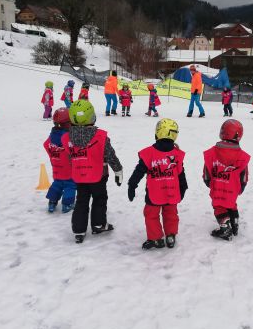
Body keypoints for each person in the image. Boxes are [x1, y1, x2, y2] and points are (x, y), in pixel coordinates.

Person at [63, 100, 123, 243]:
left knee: (81, 201)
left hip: (80, 176)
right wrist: (118, 170)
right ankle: (98, 224)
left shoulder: (66, 138)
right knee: (99, 199)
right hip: (98, 176)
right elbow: (110, 155)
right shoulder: (100, 136)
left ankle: (79, 230)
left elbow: (70, 157)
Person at [128, 118, 188, 249]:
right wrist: (183, 187)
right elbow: (180, 173)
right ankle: (171, 235)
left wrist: (132, 184)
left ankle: (156, 238)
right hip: (172, 192)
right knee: (171, 214)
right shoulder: (176, 154)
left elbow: (139, 171)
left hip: (154, 193)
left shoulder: (149, 153)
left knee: (151, 215)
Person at [203, 119, 250, 241]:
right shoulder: (241, 155)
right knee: (231, 204)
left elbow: (207, 169)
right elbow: (244, 174)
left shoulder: (212, 152)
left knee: (219, 206)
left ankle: (225, 229)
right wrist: (242, 185)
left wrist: (208, 181)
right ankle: (234, 223)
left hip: (217, 186)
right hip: (233, 187)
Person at [43, 108, 76, 214]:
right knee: (70, 185)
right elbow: (73, 150)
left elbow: (46, 144)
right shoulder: (68, 137)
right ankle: (67, 204)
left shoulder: (52, 135)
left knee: (57, 184)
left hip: (56, 167)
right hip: (68, 169)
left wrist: (53, 155)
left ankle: (52, 202)